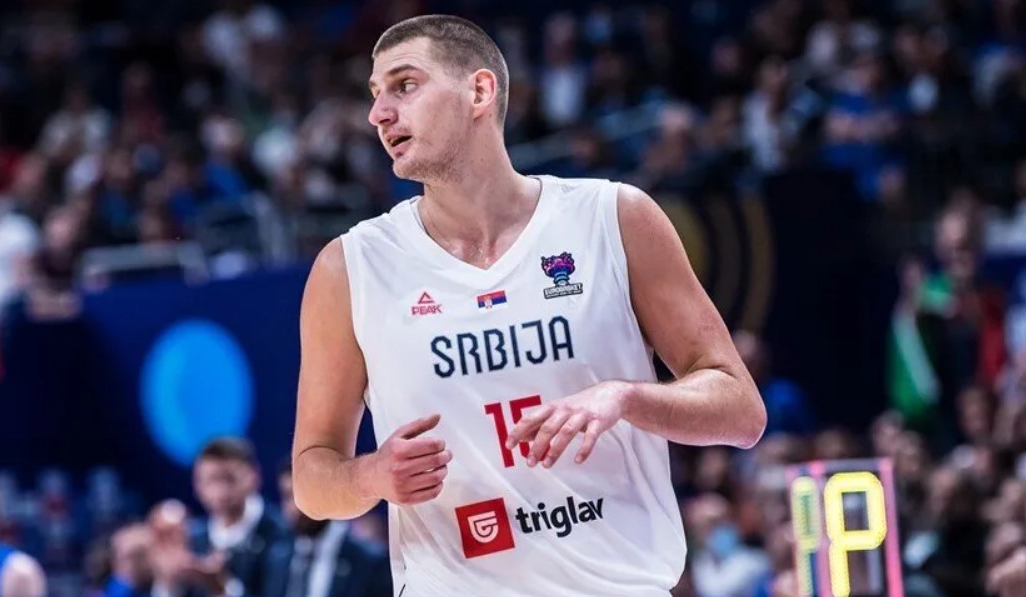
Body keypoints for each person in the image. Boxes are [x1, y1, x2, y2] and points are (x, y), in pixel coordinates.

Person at [291, 14, 766, 596]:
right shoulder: (351, 266)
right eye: (375, 94)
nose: (378, 113)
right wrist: (370, 476)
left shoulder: (613, 218)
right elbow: (312, 479)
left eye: (404, 85)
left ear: (479, 92)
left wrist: (625, 397)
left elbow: (741, 410)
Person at [258, 464, 393, 597]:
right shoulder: (277, 555)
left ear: (325, 493)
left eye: (303, 495)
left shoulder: (369, 560)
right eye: (287, 496)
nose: (294, 507)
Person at [189, 437, 290, 596]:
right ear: (197, 485)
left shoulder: (284, 534)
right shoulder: (193, 539)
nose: (221, 492)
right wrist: (168, 581)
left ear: (254, 476)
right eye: (212, 480)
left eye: (230, 479)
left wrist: (224, 589)